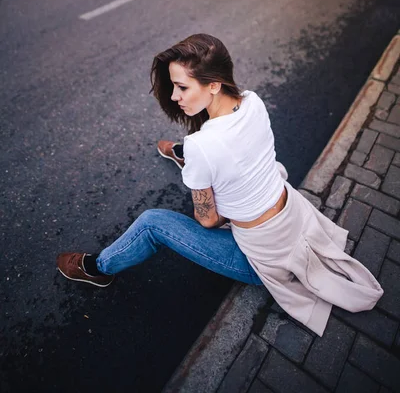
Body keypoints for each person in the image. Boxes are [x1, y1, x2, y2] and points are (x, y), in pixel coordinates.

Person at [57, 34, 383, 336]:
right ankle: (185, 157)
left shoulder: (204, 145)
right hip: (292, 222)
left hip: (262, 260)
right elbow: (237, 142)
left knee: (152, 222)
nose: (174, 96)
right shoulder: (251, 101)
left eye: (182, 88)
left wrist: (207, 181)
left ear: (213, 86)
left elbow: (209, 220)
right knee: (256, 166)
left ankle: (97, 267)